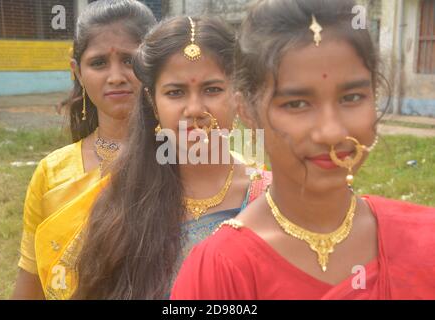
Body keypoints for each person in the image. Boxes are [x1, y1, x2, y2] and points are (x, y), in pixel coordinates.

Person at [171, 0, 435, 300]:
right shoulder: (220, 271)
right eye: (296, 104)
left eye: (351, 97)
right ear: (246, 110)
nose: (332, 131)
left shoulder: (425, 240)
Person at [71, 15, 271, 299]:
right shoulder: (122, 200)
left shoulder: (270, 200)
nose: (194, 109)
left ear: (238, 96)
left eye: (212, 89)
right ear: (153, 103)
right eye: (175, 92)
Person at [12, 0, 157, 300]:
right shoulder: (52, 174)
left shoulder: (183, 159)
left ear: (154, 65)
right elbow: (31, 287)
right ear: (77, 72)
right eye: (99, 62)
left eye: (130, 61)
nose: (116, 76)